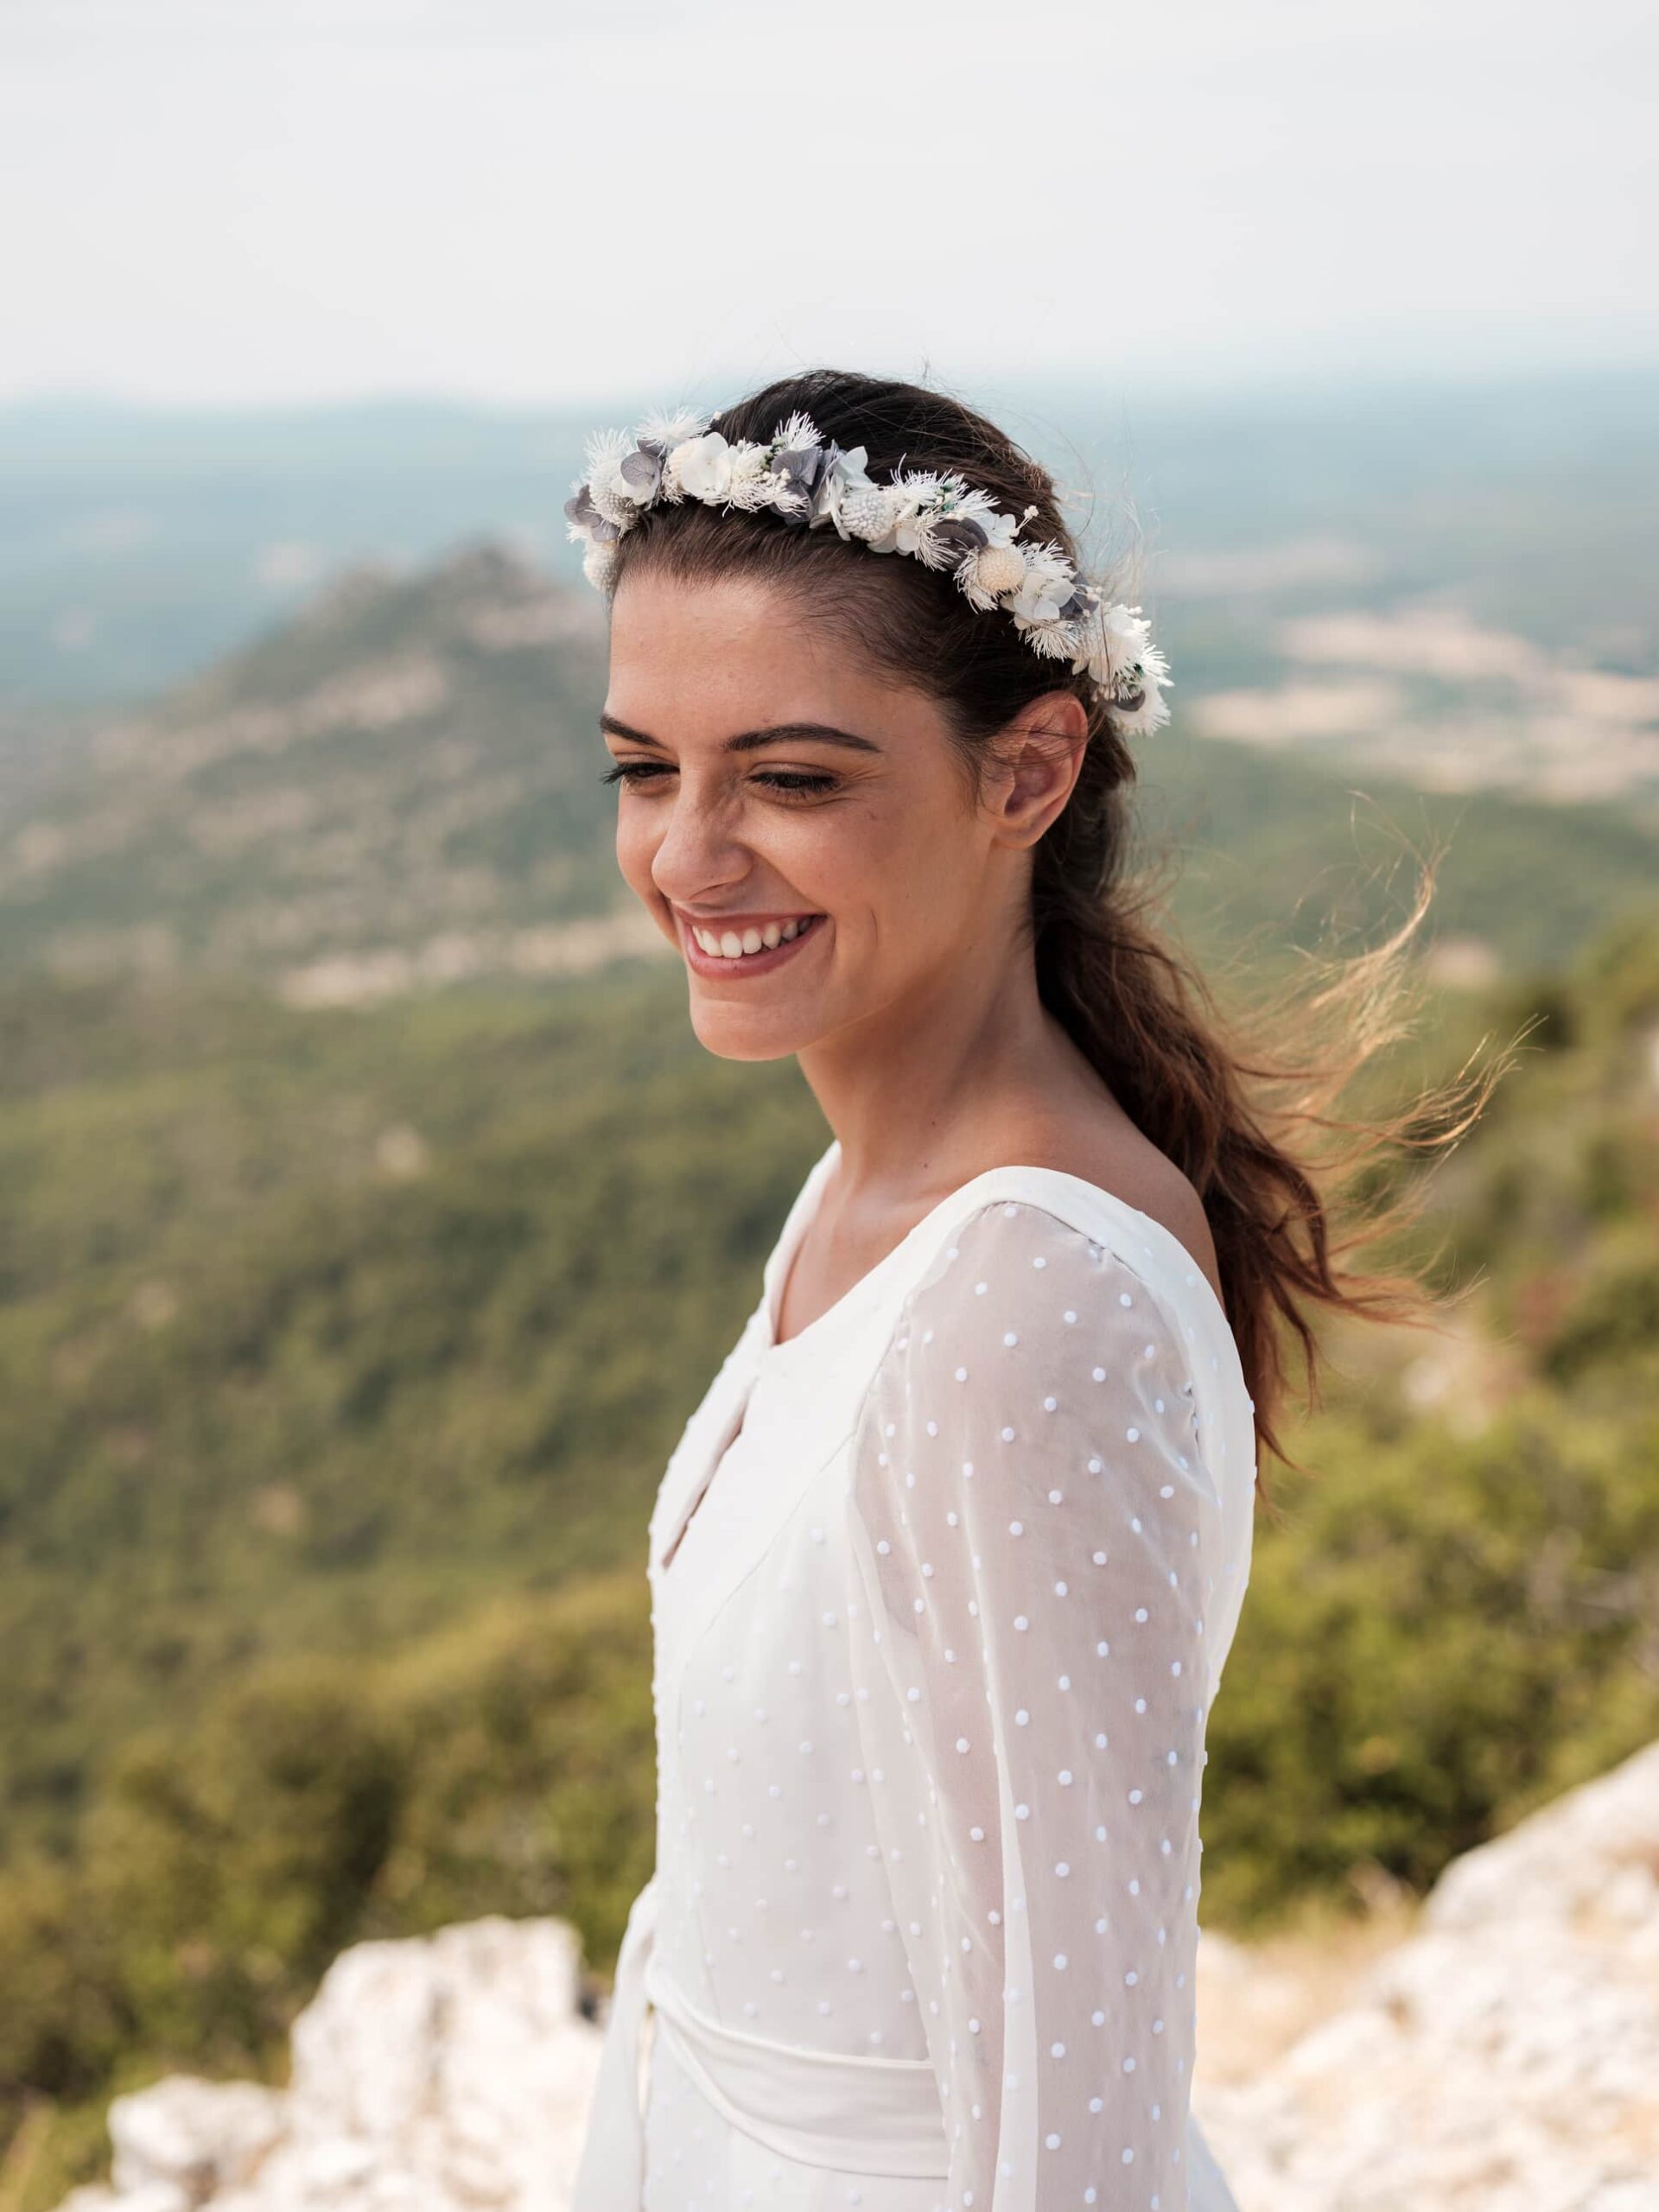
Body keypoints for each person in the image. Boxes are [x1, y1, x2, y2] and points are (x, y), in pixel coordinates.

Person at [567, 372, 1487, 2212]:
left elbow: (1084, 2065)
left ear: (1029, 770)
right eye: (645, 766)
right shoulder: (866, 1194)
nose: (687, 850)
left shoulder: (1022, 1308)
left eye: (793, 777)